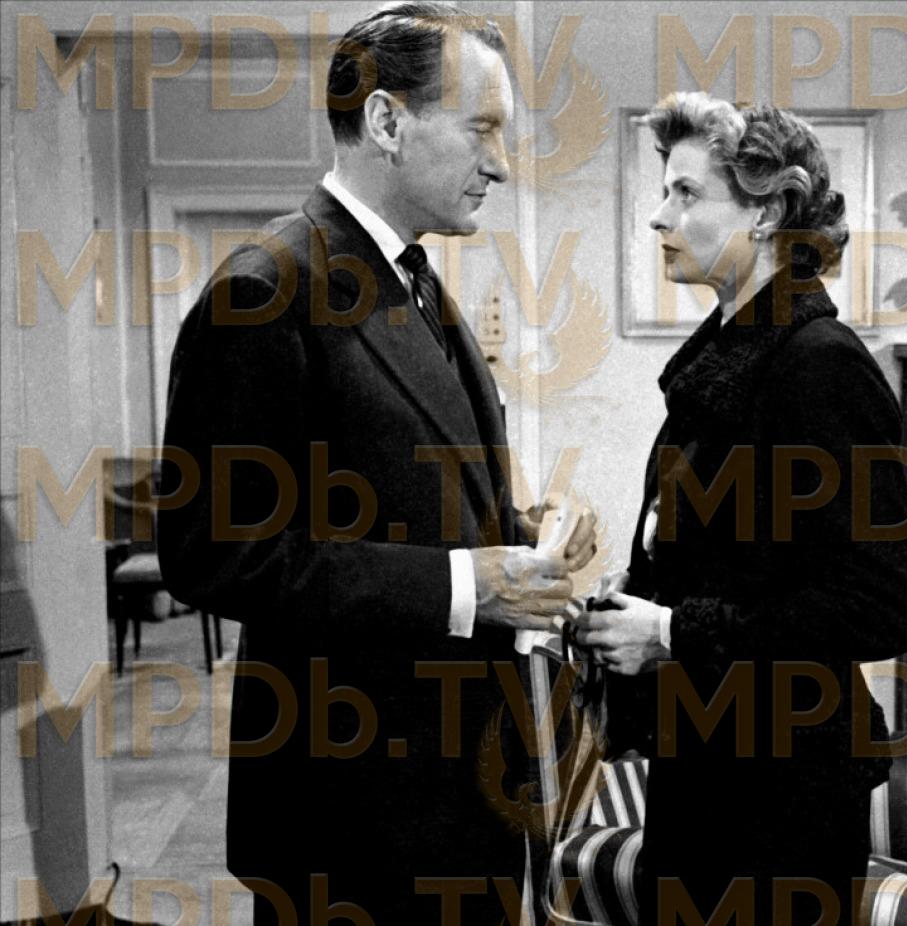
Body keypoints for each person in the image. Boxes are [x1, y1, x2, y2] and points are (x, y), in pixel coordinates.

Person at [157, 4, 595, 921]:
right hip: (351, 821)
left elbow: (395, 502)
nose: (501, 163)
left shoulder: (416, 280)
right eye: (481, 129)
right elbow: (214, 551)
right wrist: (466, 585)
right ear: (388, 121)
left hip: (453, 795)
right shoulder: (264, 289)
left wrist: (520, 542)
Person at [574, 93, 907, 924]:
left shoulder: (821, 366)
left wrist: (669, 630)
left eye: (687, 193)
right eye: (664, 191)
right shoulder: (733, 352)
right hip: (709, 763)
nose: (659, 216)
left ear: (767, 212)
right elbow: (742, 556)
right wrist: (643, 592)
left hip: (783, 793)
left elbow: (879, 608)